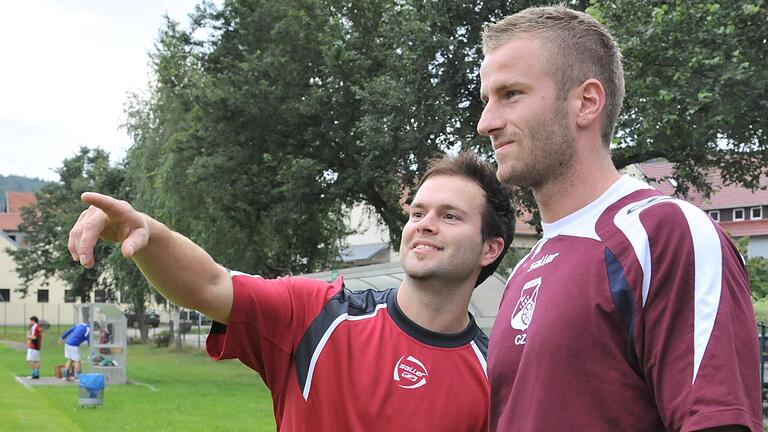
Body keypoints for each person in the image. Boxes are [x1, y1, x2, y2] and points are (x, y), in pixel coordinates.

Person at [68, 152, 515, 431]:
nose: (424, 223)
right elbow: (210, 284)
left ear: (490, 248)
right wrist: (149, 232)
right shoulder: (317, 314)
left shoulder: (498, 376)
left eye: (450, 216)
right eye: (417, 212)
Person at [477, 5, 761, 432]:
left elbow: (718, 420)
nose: (487, 123)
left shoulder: (664, 233)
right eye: (486, 100)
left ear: (587, 102)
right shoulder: (524, 270)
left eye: (510, 94)